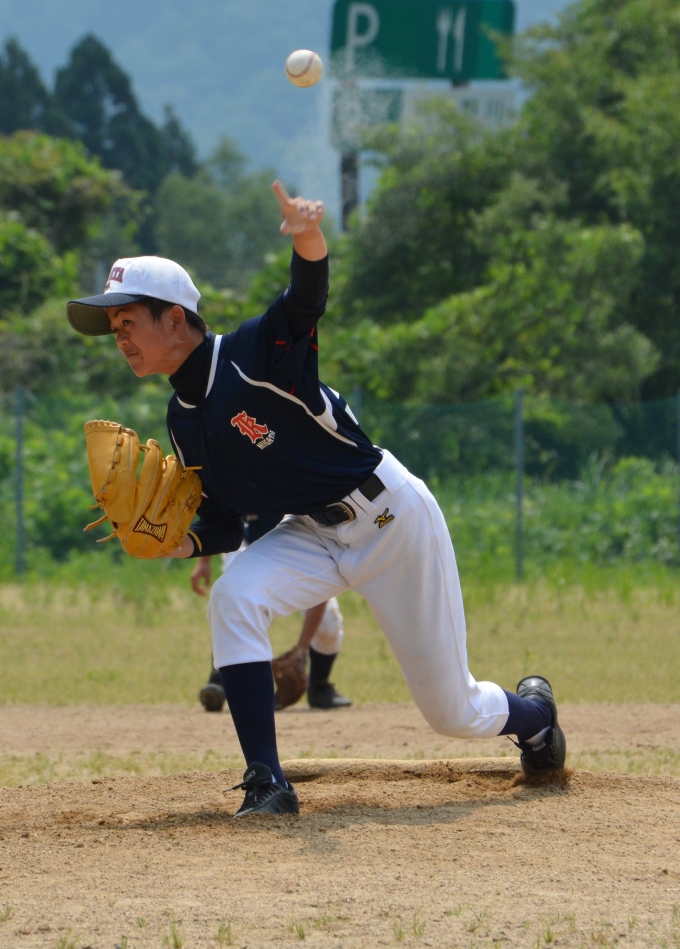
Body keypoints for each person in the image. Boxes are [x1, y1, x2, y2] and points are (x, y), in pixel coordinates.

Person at [66, 180, 566, 818]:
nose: (120, 338)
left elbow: (305, 299)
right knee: (234, 597)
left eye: (128, 321)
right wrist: (177, 543)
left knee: (453, 713)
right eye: (114, 327)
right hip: (312, 534)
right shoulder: (183, 417)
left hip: (390, 519)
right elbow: (227, 519)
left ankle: (536, 718)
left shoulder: (252, 353)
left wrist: (306, 235)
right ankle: (267, 782)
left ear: (174, 319)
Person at [191, 515, 351, 712]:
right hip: (245, 541)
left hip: (293, 547)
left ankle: (319, 686)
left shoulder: (308, 531)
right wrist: (204, 561)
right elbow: (217, 513)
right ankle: (218, 679)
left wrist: (301, 650)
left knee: (329, 622)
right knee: (235, 602)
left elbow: (320, 594)